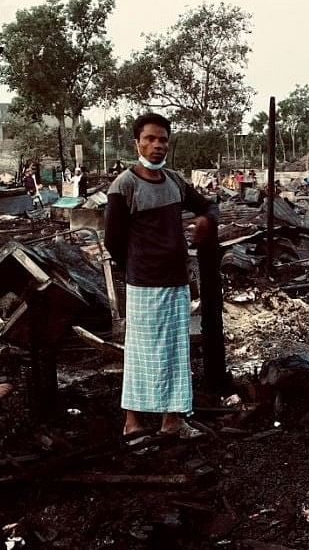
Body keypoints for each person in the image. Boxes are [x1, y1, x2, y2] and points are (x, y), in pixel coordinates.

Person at [104, 112, 218, 439]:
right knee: (140, 351)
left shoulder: (174, 182)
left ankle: (173, 420)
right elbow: (113, 240)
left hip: (176, 282)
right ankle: (133, 422)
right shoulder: (124, 186)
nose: (157, 146)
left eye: (163, 140)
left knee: (175, 351)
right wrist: (137, 267)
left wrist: (206, 221)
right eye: (150, 139)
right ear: (137, 142)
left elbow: (208, 207)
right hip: (143, 285)